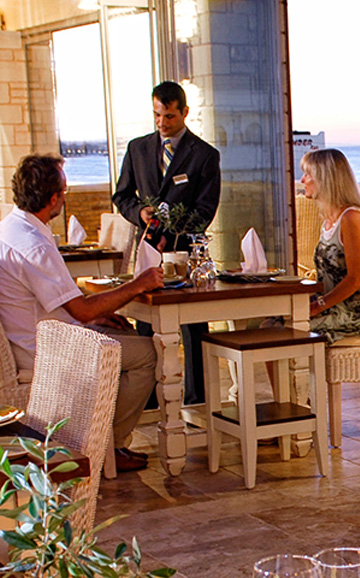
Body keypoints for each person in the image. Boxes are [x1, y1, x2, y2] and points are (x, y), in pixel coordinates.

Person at [0, 153, 164, 472]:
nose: (65, 197)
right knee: (150, 353)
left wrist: (96, 316)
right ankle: (108, 445)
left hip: (22, 339)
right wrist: (138, 284)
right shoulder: (35, 245)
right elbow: (80, 310)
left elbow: (67, 307)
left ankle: (100, 434)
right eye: (64, 191)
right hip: (42, 352)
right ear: (54, 198)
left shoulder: (7, 229)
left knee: (122, 332)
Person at [113, 81, 220, 406]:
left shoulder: (204, 155)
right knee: (145, 325)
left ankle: (198, 400)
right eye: (157, 115)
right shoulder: (138, 149)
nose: (162, 122)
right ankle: (145, 401)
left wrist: (174, 230)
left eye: (169, 116)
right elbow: (121, 195)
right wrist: (139, 213)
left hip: (184, 253)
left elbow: (206, 208)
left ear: (184, 112)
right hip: (147, 249)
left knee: (194, 326)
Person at [299, 148, 360, 341]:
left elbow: (356, 279)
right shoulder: (329, 220)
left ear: (325, 179)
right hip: (334, 307)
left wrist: (318, 306)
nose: (302, 180)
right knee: (270, 323)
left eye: (307, 174)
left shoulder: (351, 218)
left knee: (287, 329)